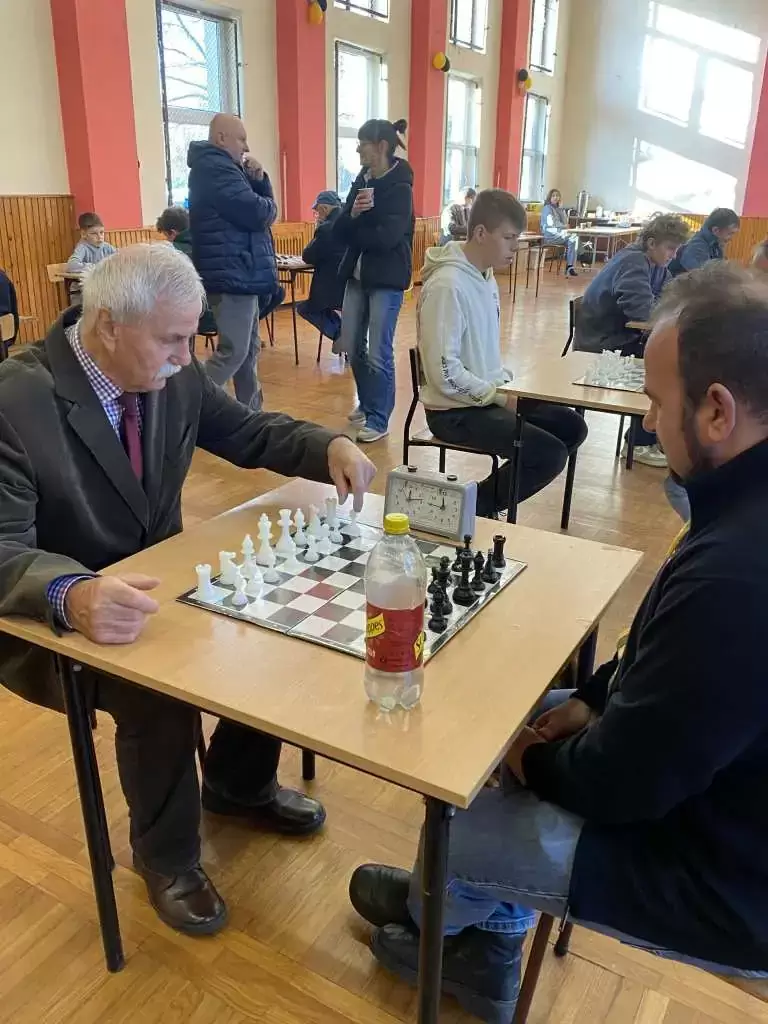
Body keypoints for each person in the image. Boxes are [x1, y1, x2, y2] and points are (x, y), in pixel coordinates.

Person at [350, 261, 768, 1022]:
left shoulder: (740, 574)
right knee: (508, 715)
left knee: (461, 817)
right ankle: (473, 928)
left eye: (656, 402)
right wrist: (597, 699)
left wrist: (529, 758)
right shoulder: (740, 508)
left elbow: (622, 786)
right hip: (714, 789)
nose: (648, 423)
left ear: (717, 410)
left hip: (723, 875)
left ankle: (440, 930)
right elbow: (667, 657)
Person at [0, 244, 376, 938]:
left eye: (190, 337)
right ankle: (166, 857)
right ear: (109, 325)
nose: (187, 356)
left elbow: (247, 432)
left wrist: (325, 445)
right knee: (159, 689)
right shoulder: (13, 401)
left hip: (165, 583)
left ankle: (237, 783)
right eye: (172, 339)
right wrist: (73, 592)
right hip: (58, 614)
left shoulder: (170, 373)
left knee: (267, 617)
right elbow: (3, 550)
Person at [418, 189, 588, 518]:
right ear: (481, 233)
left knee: (572, 427)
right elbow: (444, 373)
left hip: (485, 397)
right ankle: (472, 509)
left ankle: (482, 501)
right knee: (547, 454)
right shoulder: (447, 286)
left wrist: (509, 386)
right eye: (509, 238)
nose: (515, 247)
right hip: (453, 411)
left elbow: (482, 354)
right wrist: (499, 396)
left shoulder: (485, 277)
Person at [577, 213, 689, 468]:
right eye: (670, 248)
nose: (673, 255)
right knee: (663, 366)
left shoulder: (656, 265)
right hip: (603, 341)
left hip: (622, 335)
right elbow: (643, 312)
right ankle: (638, 443)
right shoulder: (633, 262)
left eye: (677, 250)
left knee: (669, 359)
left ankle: (652, 435)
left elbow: (669, 300)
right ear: (652, 243)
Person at [187, 113, 278, 411]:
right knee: (234, 351)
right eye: (241, 139)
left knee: (247, 352)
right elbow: (259, 213)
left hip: (240, 272)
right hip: (232, 273)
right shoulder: (215, 169)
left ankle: (251, 417)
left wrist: (259, 180)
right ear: (221, 138)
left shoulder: (224, 168)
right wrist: (265, 192)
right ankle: (185, 406)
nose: (247, 147)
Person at [334, 118, 414, 443]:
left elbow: (388, 237)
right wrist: (353, 216)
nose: (357, 150)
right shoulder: (362, 179)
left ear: (380, 146)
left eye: (362, 144)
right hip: (357, 277)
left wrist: (356, 228)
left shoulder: (400, 186)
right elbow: (340, 227)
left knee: (379, 351)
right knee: (352, 345)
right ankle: (367, 404)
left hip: (386, 279)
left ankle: (379, 419)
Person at [156, 206, 218, 338]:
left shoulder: (173, 252)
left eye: (166, 235)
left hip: (197, 316)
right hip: (219, 312)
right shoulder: (209, 242)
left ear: (173, 233)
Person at [297, 190, 346, 344]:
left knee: (305, 308)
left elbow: (308, 255)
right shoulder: (349, 222)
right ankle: (345, 333)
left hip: (329, 289)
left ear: (325, 208)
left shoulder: (326, 228)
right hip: (348, 287)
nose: (317, 214)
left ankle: (340, 334)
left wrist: (317, 229)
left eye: (317, 210)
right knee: (323, 310)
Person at [668, 207, 740, 277]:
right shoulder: (696, 247)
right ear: (716, 230)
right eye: (730, 233)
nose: (731, 238)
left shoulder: (715, 244)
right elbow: (703, 279)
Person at [66, 212, 117, 304]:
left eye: (101, 232)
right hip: (81, 294)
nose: (99, 237)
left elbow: (120, 257)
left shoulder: (106, 246)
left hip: (99, 290)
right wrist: (95, 266)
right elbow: (71, 265)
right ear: (83, 234)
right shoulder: (82, 247)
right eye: (94, 233)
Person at [539, 188, 578, 276]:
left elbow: (565, 222)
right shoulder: (547, 208)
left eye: (557, 196)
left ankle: (570, 266)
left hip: (559, 234)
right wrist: (564, 226)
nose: (555, 197)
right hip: (550, 235)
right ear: (549, 198)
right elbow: (551, 223)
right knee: (573, 238)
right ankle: (578, 260)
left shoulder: (558, 209)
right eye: (553, 196)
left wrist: (561, 209)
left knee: (574, 239)